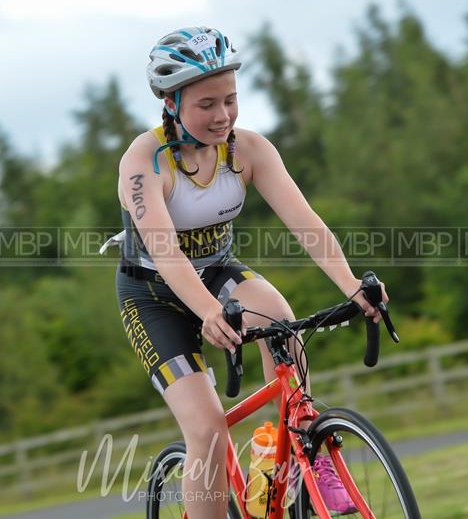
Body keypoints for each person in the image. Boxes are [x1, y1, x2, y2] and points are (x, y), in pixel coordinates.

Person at [115, 26, 387, 517]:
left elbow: (307, 224)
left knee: (280, 318)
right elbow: (166, 252)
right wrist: (206, 312)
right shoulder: (143, 162)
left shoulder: (250, 151)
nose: (222, 116)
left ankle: (292, 448)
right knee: (207, 430)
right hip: (153, 294)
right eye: (206, 105)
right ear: (171, 103)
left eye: (230, 100)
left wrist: (353, 286)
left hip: (217, 272)